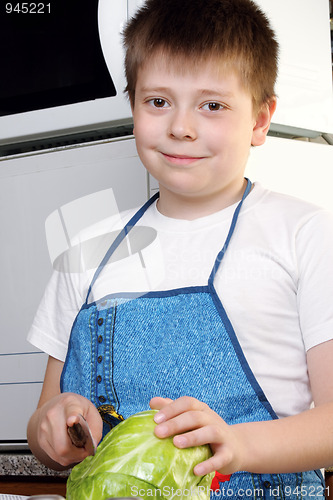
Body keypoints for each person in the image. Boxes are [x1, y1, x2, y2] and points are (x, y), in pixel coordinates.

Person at [27, 0, 333, 497]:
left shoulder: (304, 234)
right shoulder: (88, 250)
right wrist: (51, 427)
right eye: (158, 102)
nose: (180, 127)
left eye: (212, 105)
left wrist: (238, 444)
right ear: (133, 108)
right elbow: (44, 426)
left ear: (260, 119)